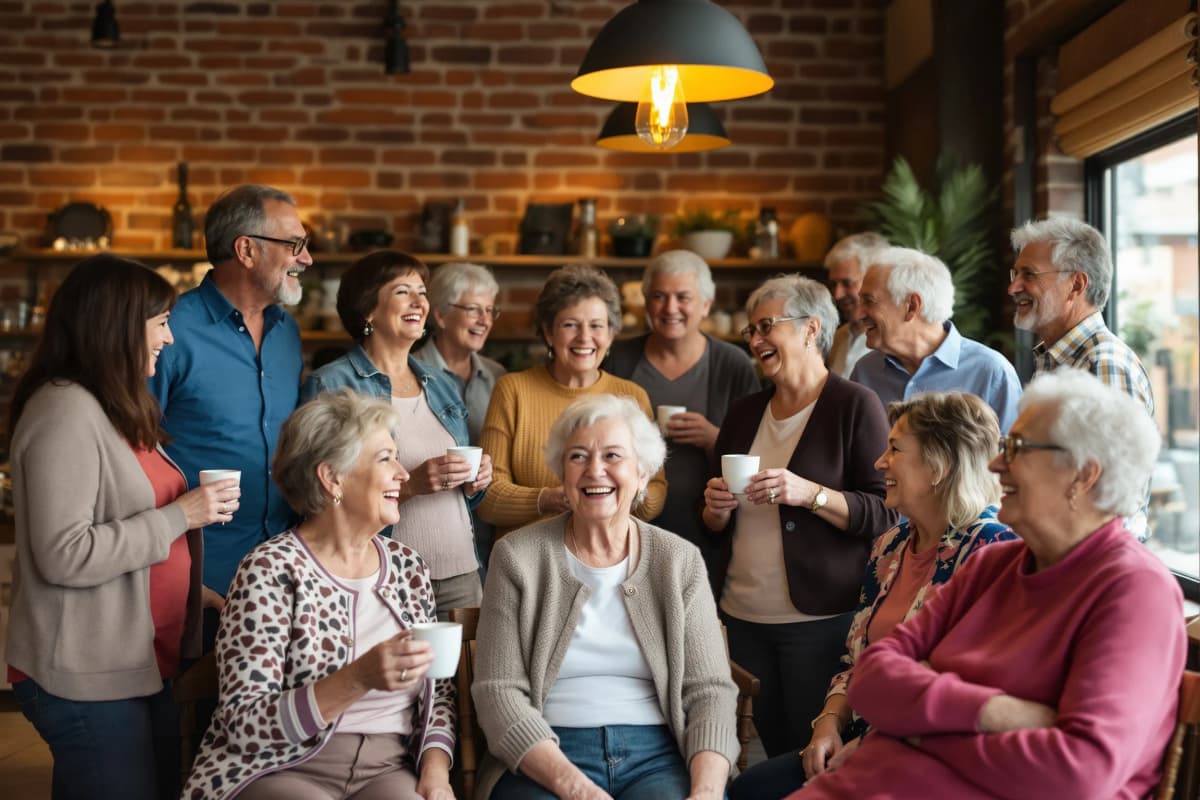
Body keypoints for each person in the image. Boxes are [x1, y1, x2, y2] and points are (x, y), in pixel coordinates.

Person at [793, 369, 1186, 800]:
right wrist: (992, 711)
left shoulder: (1134, 590)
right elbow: (871, 677)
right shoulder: (994, 564)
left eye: (1016, 449)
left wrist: (918, 727)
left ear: (1083, 475)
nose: (996, 464)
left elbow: (1079, 773)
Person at [5, 255, 238, 799]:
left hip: (132, 664)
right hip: (84, 673)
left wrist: (187, 592)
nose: (170, 338)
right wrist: (185, 514)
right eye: (159, 322)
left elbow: (122, 523)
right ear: (117, 325)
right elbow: (65, 552)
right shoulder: (63, 410)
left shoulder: (110, 407)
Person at [728, 392, 1016, 799]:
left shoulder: (992, 550)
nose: (880, 462)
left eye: (895, 449)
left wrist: (868, 749)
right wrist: (828, 723)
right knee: (749, 789)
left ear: (939, 466)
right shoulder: (891, 546)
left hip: (933, 754)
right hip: (860, 738)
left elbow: (969, 687)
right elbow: (856, 658)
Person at [182, 390, 456, 800]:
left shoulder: (407, 567)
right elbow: (243, 724)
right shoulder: (270, 570)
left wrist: (436, 773)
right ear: (332, 478)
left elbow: (439, 697)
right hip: (278, 766)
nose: (403, 472)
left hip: (388, 767)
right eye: (385, 459)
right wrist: (359, 678)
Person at [473, 394, 739, 800]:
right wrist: (576, 788)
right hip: (545, 752)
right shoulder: (517, 556)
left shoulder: (679, 560)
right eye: (577, 456)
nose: (594, 470)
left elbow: (709, 691)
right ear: (561, 472)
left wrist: (705, 792)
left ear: (644, 471)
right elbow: (498, 690)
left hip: (658, 753)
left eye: (613, 455)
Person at [701, 275, 895, 759]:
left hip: (821, 619)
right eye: (750, 331)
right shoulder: (744, 412)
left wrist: (811, 494)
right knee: (762, 749)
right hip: (741, 615)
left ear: (811, 329)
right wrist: (714, 510)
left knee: (808, 754)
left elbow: (887, 511)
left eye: (767, 326)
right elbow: (713, 521)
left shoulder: (855, 405)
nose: (755, 340)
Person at [148, 183, 307, 641]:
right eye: (295, 244)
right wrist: (171, 573)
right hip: (195, 579)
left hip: (280, 577)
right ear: (246, 249)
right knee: (190, 711)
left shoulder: (286, 332)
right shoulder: (171, 329)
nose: (306, 258)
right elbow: (129, 454)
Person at [301, 250, 493, 617]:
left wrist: (476, 481)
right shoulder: (333, 383)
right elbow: (316, 495)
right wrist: (409, 486)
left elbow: (463, 496)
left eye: (423, 291)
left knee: (466, 675)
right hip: (384, 573)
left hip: (462, 573)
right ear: (368, 309)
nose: (420, 302)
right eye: (403, 291)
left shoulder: (440, 383)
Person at [603, 250, 759, 586]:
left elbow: (757, 452)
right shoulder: (619, 358)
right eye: (658, 296)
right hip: (628, 531)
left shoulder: (732, 365)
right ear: (645, 303)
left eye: (682, 297)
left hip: (711, 534)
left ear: (705, 304)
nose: (669, 308)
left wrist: (714, 438)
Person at [479, 264, 666, 538]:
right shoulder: (513, 390)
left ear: (611, 335)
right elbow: (487, 497)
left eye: (596, 326)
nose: (584, 337)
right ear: (549, 333)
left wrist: (618, 492)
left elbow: (655, 491)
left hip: (608, 558)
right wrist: (551, 499)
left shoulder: (631, 396)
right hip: (527, 562)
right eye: (570, 325)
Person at [1009, 216, 1154, 539]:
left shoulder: (1104, 365)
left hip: (1091, 568)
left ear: (1076, 284)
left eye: (1028, 274)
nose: (1013, 287)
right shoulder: (1055, 358)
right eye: (1015, 273)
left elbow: (1113, 500)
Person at [850, 246, 1022, 431]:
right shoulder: (865, 372)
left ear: (912, 306)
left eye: (869, 301)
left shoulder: (991, 372)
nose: (858, 314)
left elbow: (1013, 457)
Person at [413, 260, 506, 574]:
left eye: (490, 311)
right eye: (474, 309)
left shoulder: (496, 376)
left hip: (485, 530)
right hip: (424, 529)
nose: (485, 320)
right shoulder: (407, 372)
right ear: (439, 315)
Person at [823, 232, 888, 377]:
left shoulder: (893, 342)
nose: (837, 294)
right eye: (833, 284)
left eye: (847, 283)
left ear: (875, 280)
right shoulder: (837, 338)